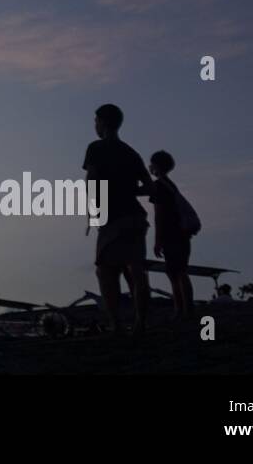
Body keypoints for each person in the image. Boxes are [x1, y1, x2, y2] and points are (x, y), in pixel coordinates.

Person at [82, 104, 152, 334]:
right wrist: (128, 191)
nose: (95, 125)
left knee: (106, 271)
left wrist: (93, 208)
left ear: (102, 122)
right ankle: (141, 322)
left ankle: (117, 324)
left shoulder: (96, 148)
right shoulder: (131, 152)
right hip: (135, 217)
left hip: (113, 218)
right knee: (136, 269)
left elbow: (91, 179)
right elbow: (150, 188)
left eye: (95, 121)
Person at [148, 150, 195, 320]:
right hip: (182, 234)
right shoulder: (170, 185)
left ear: (157, 166)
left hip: (170, 234)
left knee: (175, 273)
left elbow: (158, 215)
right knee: (181, 271)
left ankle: (180, 308)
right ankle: (186, 308)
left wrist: (157, 239)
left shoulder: (159, 186)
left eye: (152, 163)